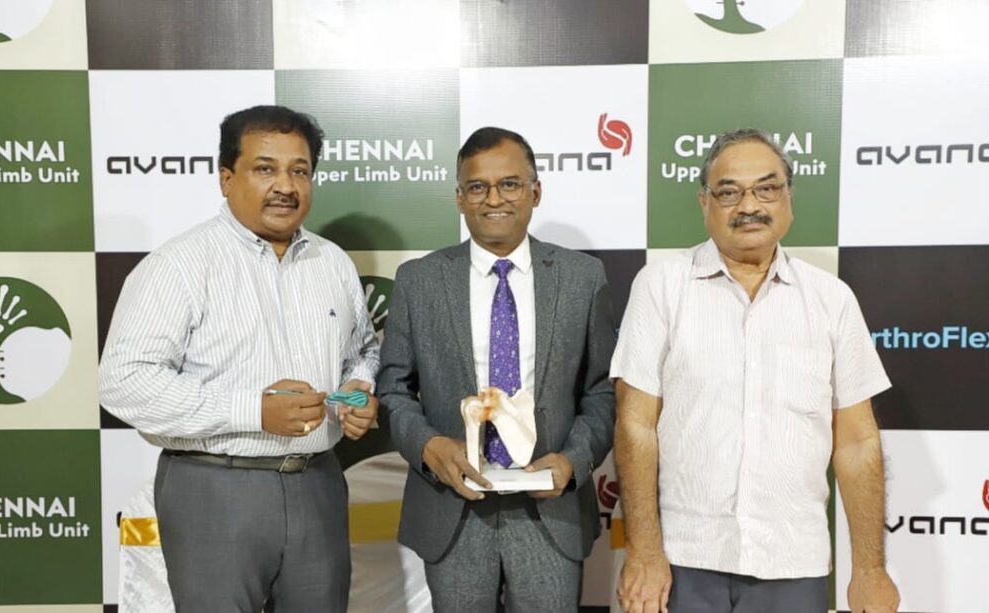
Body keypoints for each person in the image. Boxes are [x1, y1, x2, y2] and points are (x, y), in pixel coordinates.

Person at [99, 105, 380, 612]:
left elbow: (362, 351)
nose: (286, 186)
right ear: (226, 178)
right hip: (214, 488)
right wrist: (253, 409)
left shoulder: (332, 262)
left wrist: (357, 388)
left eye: (299, 171)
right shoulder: (179, 265)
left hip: (318, 484)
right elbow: (124, 381)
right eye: (265, 169)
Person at [612, 128, 900, 613]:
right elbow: (635, 426)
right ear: (704, 203)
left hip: (794, 562)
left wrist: (869, 570)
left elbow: (856, 442)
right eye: (729, 192)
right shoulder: (660, 286)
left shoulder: (831, 299)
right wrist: (643, 551)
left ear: (789, 199)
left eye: (767, 189)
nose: (749, 206)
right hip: (683, 560)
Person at [377, 127, 616, 611]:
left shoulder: (582, 277)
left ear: (535, 191)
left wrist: (573, 460)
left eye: (509, 184)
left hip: (550, 511)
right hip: (453, 507)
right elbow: (393, 389)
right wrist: (428, 447)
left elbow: (602, 391)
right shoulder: (420, 280)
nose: (494, 199)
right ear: (459, 198)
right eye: (478, 187)